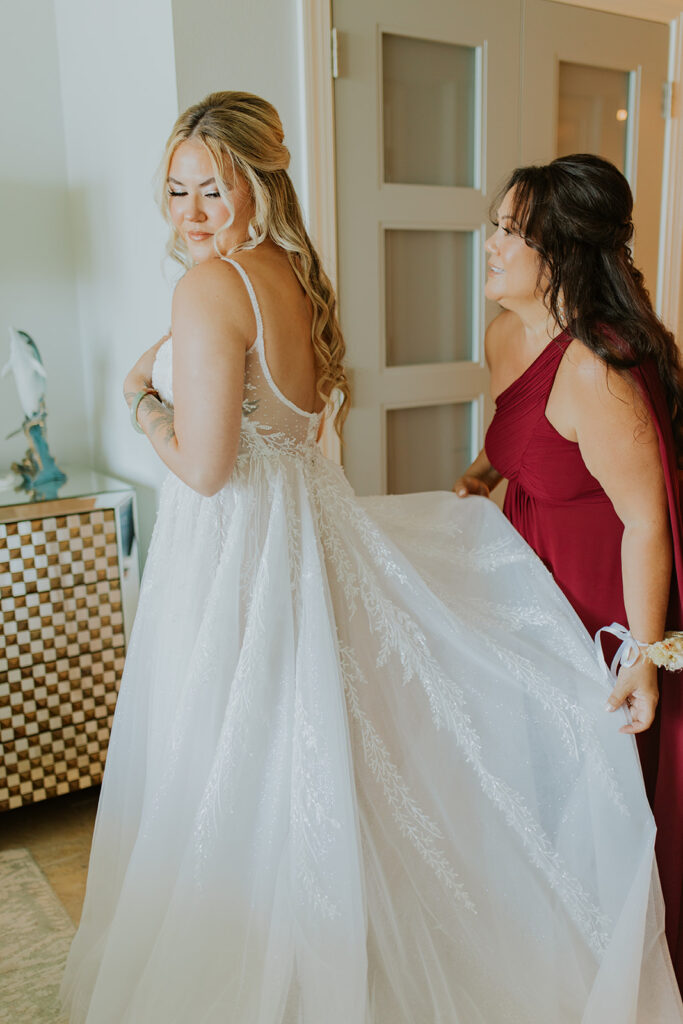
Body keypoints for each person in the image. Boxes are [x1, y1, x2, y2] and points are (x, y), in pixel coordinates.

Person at [60, 97, 683, 1022]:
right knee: (308, 749)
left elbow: (203, 467)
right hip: (368, 543)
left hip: (280, 554)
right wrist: (478, 481)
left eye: (209, 189)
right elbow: (437, 441)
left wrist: (139, 403)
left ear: (254, 184)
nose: (187, 212)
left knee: (246, 754)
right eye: (173, 191)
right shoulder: (308, 282)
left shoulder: (211, 290)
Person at [454, 153, 683, 989]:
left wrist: (644, 659)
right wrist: (482, 473)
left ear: (559, 251)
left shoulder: (596, 365)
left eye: (508, 232)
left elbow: (645, 521)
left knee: (600, 809)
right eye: (495, 226)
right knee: (533, 789)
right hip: (527, 588)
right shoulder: (505, 335)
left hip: (602, 602)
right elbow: (521, 437)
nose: (489, 243)